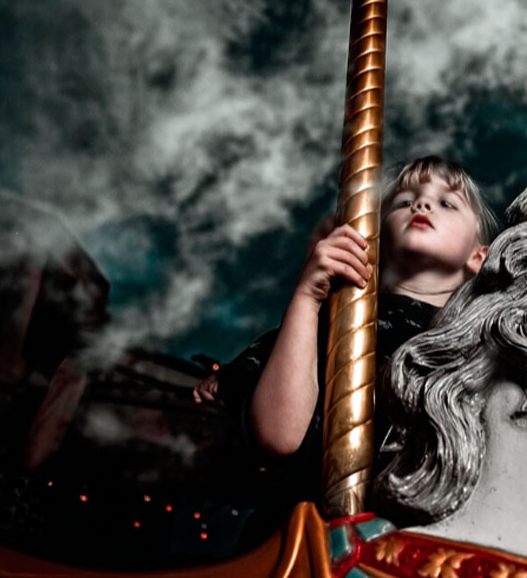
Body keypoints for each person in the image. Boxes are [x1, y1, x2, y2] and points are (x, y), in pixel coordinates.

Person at [193, 156, 496, 463]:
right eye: (405, 201)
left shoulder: (483, 342)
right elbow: (278, 436)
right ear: (377, 237)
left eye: (446, 204)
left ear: (478, 257)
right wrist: (307, 297)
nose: (422, 205)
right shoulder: (332, 320)